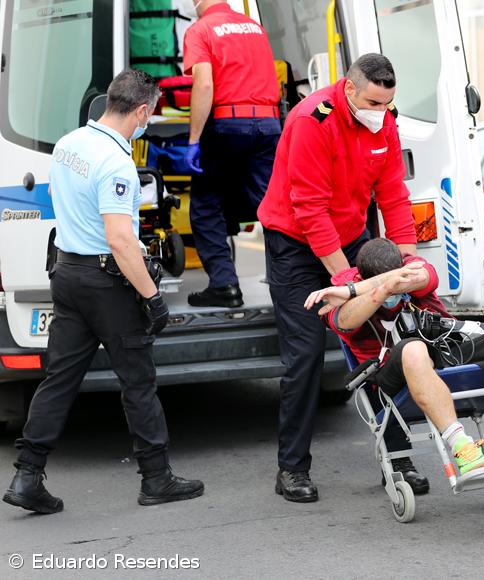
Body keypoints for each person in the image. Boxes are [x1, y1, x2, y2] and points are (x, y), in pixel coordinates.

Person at [3, 70, 204, 515]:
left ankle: (27, 475)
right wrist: (152, 297)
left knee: (59, 380)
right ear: (141, 111)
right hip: (106, 283)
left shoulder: (69, 143)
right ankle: (157, 478)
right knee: (138, 381)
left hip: (68, 275)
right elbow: (120, 240)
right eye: (150, 114)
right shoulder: (117, 164)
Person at [258, 54, 421, 503]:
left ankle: (398, 455)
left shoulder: (383, 120)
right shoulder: (312, 119)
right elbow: (309, 209)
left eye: (387, 104)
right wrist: (351, 282)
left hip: (351, 236)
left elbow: (393, 193)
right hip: (295, 245)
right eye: (372, 102)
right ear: (349, 90)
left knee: (387, 344)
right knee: (306, 356)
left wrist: (406, 265)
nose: (380, 112)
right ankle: (292, 469)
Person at [307, 239, 484, 475]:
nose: (395, 292)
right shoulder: (338, 289)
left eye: (397, 275)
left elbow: (422, 277)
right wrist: (382, 290)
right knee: (414, 348)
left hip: (446, 347)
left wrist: (360, 288)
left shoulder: (411, 265)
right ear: (360, 275)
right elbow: (346, 320)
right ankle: (462, 447)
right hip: (394, 372)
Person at [182, 0, 282, 308]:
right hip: (269, 124)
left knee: (206, 204)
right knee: (272, 209)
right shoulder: (255, 27)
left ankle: (224, 286)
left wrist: (194, 139)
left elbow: (204, 83)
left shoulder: (200, 29)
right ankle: (287, 283)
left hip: (228, 124)